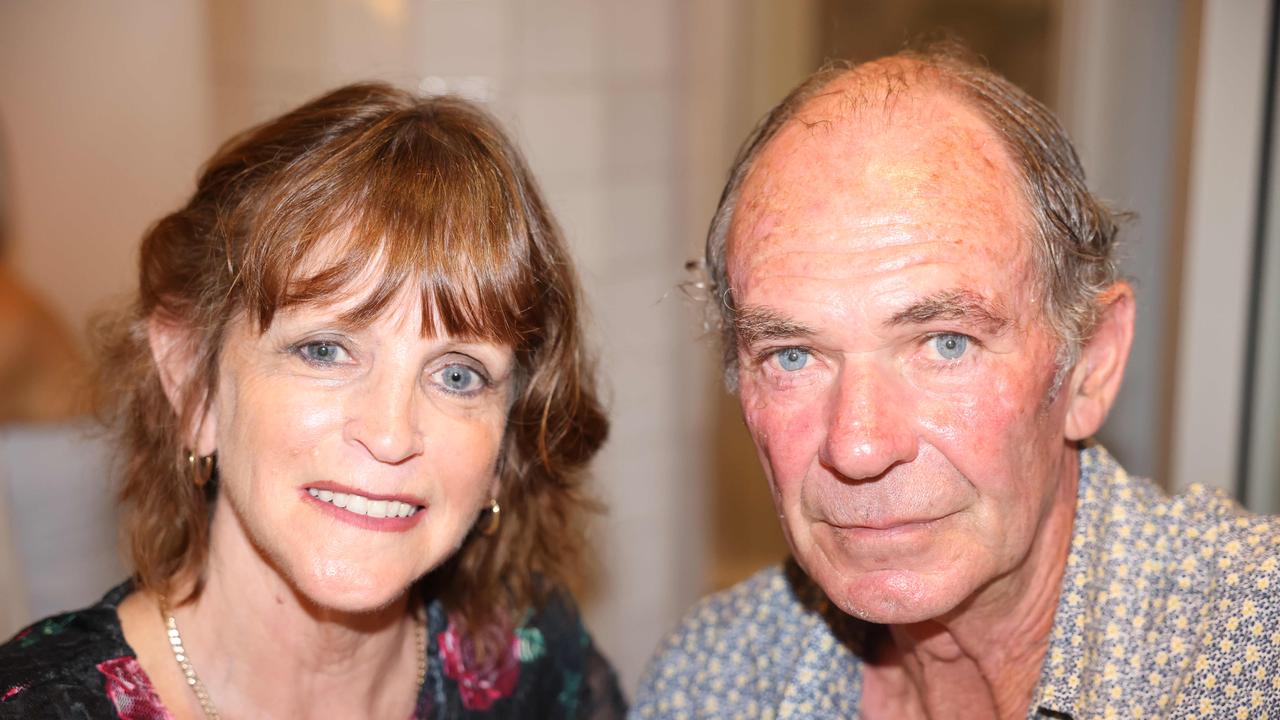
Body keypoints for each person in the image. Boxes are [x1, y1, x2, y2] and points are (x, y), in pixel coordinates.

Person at [633, 48, 1280, 719]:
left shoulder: (1251, 654)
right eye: (793, 355)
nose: (858, 447)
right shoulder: (711, 679)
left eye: (946, 344)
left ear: (1090, 363)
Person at [0, 82, 625, 719]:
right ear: (192, 379)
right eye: (324, 350)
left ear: (505, 443)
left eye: (458, 376)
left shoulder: (535, 663)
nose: (389, 434)